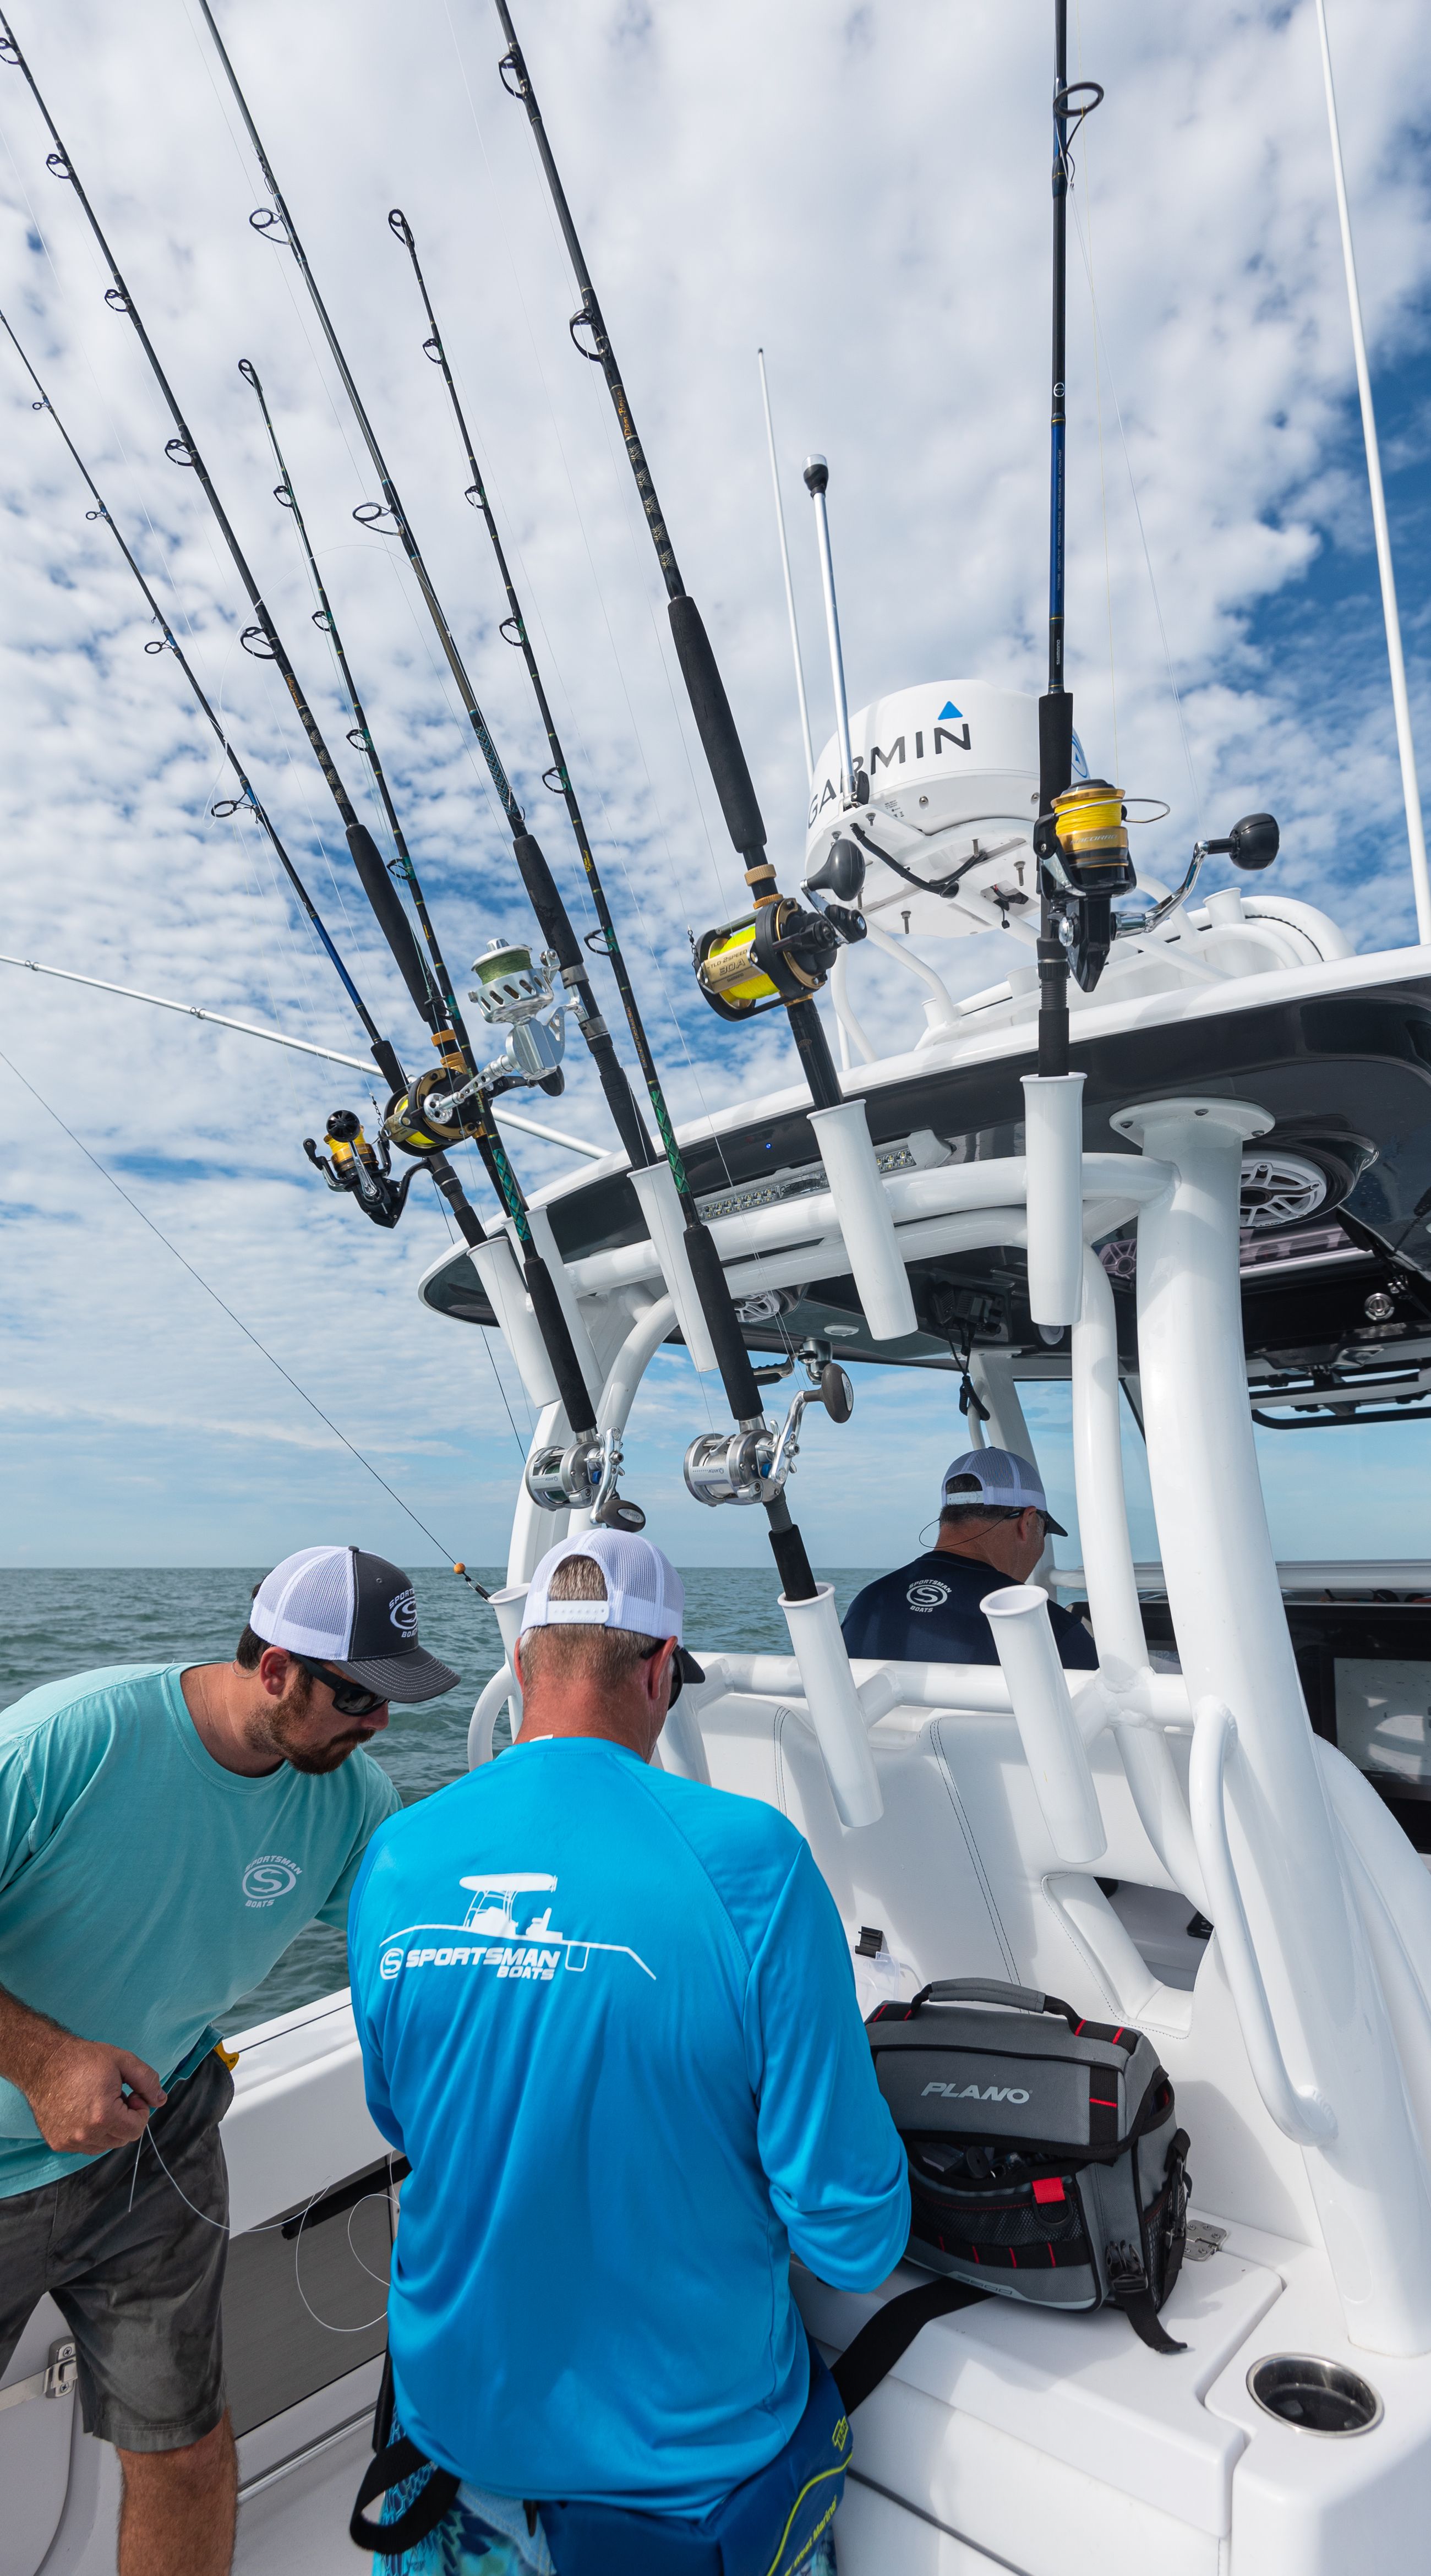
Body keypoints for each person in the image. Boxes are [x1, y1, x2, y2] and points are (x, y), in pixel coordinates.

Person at [348, 1529, 909, 2576]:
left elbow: (401, 2115)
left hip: (445, 2465)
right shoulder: (756, 1865)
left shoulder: (399, 1854)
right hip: (684, 2494)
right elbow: (852, 2240)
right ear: (660, 1671)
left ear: (521, 1667)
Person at [0, 1543, 458, 2576]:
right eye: (358, 1696)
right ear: (275, 1669)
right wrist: (40, 2061)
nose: (381, 1724)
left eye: (396, 1699)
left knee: (190, 2450)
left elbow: (418, 1948)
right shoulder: (68, 1742)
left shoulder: (350, 1796)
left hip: (154, 2159)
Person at [841, 1447, 1097, 1669]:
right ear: (1028, 1522)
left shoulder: (868, 1604)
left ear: (948, 1516)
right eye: (1044, 1531)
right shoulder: (1048, 1628)